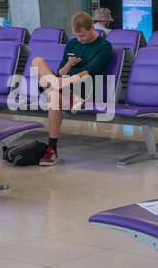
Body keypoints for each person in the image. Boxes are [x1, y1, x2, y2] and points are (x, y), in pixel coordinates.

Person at [30, 11, 112, 166]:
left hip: (85, 88)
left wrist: (64, 82)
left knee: (52, 96)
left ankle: (52, 148)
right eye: (76, 35)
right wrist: (68, 66)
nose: (79, 39)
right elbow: (61, 71)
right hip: (63, 84)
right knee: (37, 61)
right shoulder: (73, 43)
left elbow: (90, 72)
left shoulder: (104, 47)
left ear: (92, 28)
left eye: (82, 36)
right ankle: (68, 96)